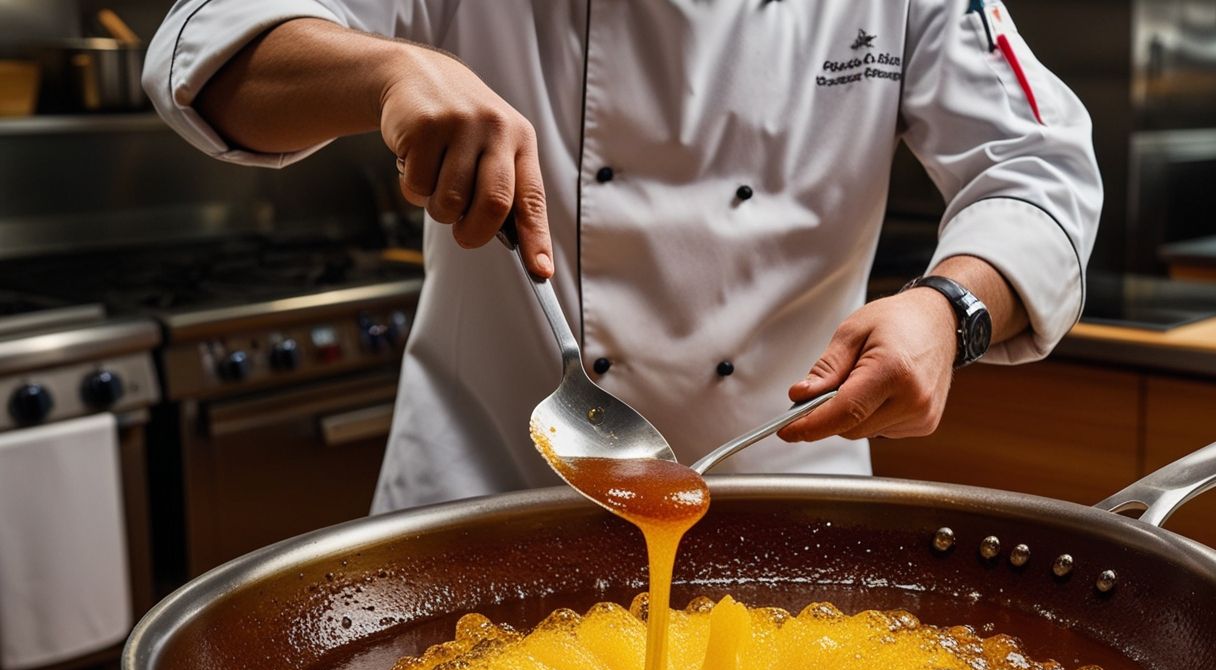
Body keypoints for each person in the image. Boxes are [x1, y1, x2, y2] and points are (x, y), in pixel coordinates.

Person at [145, 1, 1102, 513]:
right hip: (489, 497)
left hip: (783, 500)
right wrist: (385, 71)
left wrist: (950, 309)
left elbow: (1040, 161)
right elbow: (208, 56)